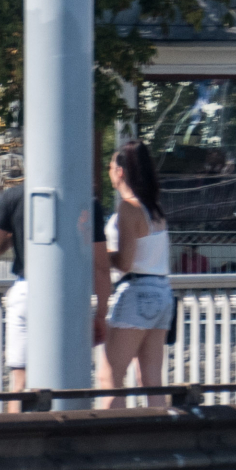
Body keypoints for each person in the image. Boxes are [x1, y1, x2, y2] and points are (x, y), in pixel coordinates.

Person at [0, 156, 107, 392]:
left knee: (21, 382)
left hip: (27, 292)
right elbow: (100, 266)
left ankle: (19, 428)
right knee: (71, 379)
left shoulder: (15, 197)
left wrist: (14, 235)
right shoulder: (87, 202)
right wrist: (101, 313)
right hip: (71, 295)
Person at [99, 140, 174, 407]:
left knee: (110, 378)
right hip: (162, 292)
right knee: (151, 378)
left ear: (120, 171)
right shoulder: (154, 208)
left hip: (136, 292)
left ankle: (111, 440)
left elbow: (125, 262)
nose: (108, 171)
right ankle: (159, 437)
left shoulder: (128, 208)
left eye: (110, 166)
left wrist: (98, 255)